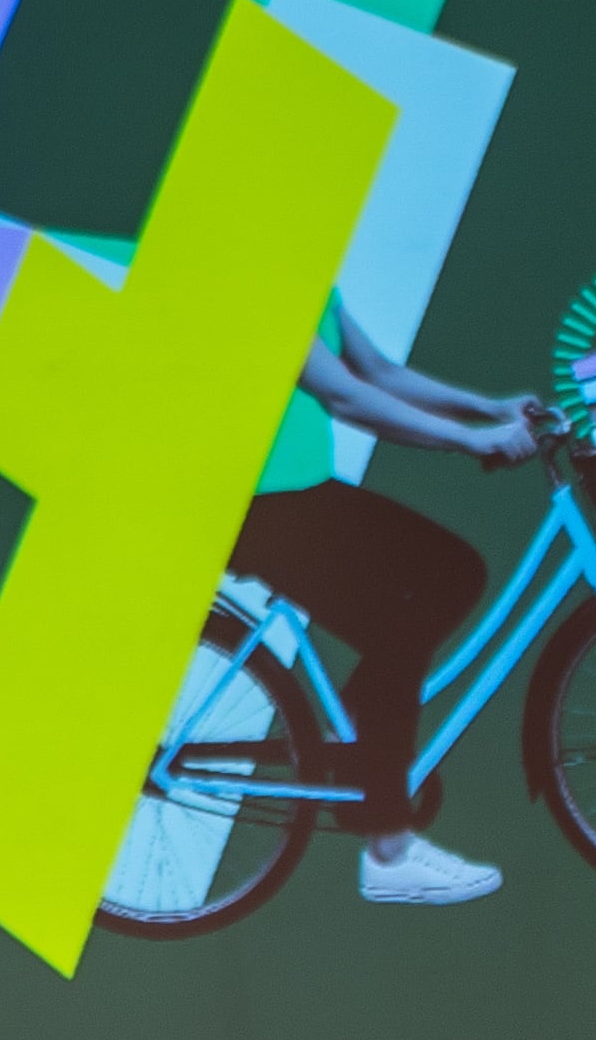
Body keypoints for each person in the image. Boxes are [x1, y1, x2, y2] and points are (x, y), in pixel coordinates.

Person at [230, 312, 556, 909]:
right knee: (397, 626)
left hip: (299, 493)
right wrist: (470, 440)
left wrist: (485, 407)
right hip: (256, 504)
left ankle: (353, 737)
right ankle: (389, 849)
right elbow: (344, 395)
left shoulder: (314, 279)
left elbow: (378, 370)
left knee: (454, 571)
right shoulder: (261, 273)